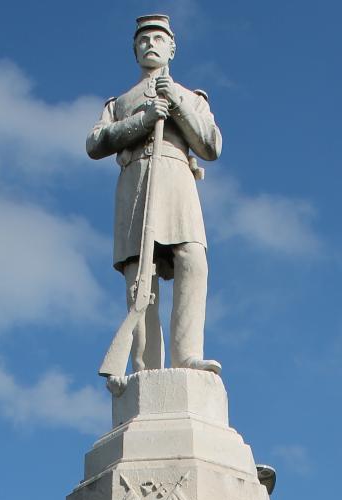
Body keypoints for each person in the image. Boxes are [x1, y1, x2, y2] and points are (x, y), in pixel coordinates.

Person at [87, 13, 221, 375]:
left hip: (177, 177)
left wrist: (175, 102)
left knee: (192, 260)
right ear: (134, 50)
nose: (150, 45)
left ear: (172, 48)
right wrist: (143, 121)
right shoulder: (120, 103)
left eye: (158, 39)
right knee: (139, 279)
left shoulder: (191, 97)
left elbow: (210, 145)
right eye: (143, 40)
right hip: (136, 182)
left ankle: (187, 355)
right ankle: (145, 369)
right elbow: (96, 142)